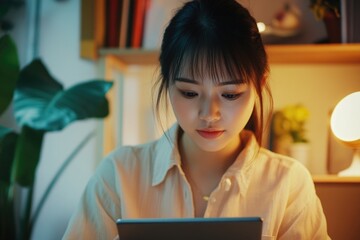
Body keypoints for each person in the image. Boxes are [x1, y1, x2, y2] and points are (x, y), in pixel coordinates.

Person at [63, 0, 329, 239]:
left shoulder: (288, 184)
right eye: (189, 92)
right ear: (167, 84)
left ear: (259, 84)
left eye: (230, 94)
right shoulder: (118, 177)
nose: (209, 113)